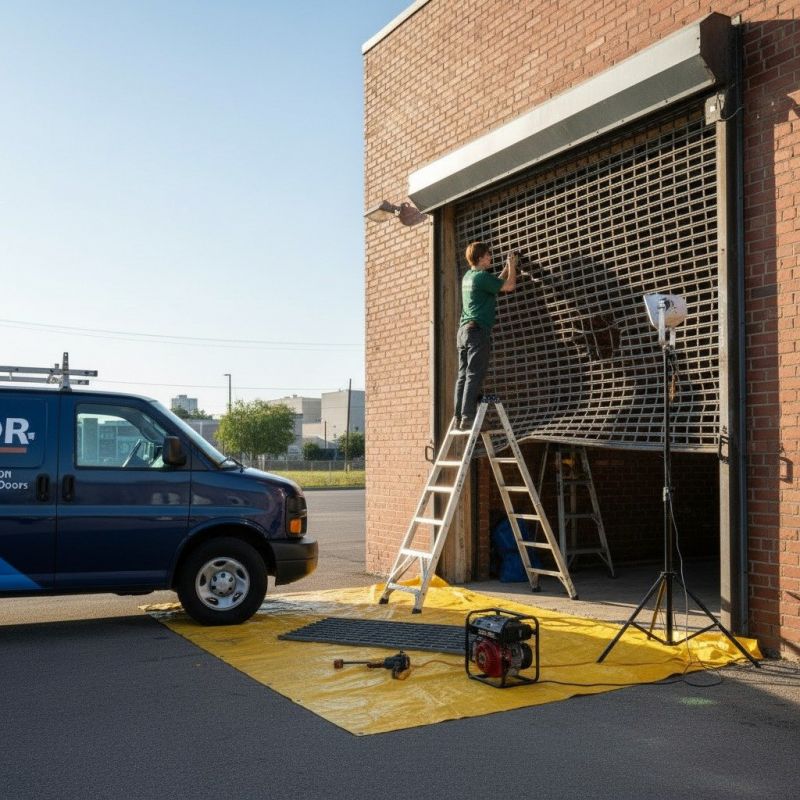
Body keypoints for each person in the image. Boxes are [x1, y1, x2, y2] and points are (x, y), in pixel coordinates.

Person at [453, 242, 518, 430]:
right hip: (477, 331)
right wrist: (512, 266)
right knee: (474, 374)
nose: (491, 257)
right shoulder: (481, 277)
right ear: (480, 257)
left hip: (464, 332)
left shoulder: (470, 276)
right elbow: (510, 286)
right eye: (488, 255)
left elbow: (494, 285)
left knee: (463, 376)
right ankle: (468, 418)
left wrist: (505, 269)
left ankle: (459, 417)